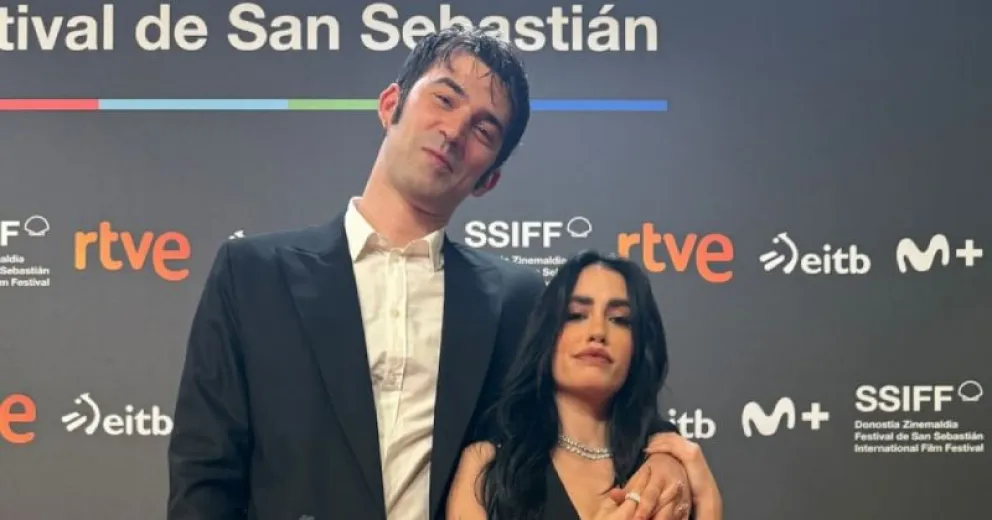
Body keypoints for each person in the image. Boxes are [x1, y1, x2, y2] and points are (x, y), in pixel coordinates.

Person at [166, 25, 701, 520]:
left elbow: (602, 404)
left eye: (484, 129)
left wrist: (668, 456)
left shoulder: (513, 300)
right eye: (444, 99)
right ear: (390, 104)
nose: (453, 130)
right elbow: (204, 475)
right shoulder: (253, 274)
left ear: (489, 180)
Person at [446, 251, 722, 520]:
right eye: (576, 315)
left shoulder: (666, 471)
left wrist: (708, 503)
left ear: (639, 346)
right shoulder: (486, 465)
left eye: (619, 320)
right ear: (546, 334)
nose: (598, 332)